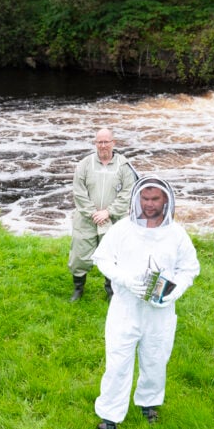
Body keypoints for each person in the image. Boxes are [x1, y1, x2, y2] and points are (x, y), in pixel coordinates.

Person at [89, 176, 200, 429]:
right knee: (117, 362)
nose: (149, 205)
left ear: (166, 201)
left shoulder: (176, 234)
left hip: (159, 312)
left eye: (155, 199)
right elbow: (101, 258)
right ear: (137, 199)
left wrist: (174, 291)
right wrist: (125, 279)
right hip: (125, 308)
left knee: (155, 358)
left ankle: (148, 403)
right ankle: (109, 419)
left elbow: (190, 268)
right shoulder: (123, 229)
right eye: (145, 199)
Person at [69, 128, 138, 302]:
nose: (103, 145)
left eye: (106, 141)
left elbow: (129, 192)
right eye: (99, 142)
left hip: (113, 220)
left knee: (113, 256)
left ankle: (111, 291)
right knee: (80, 256)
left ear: (113, 143)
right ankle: (78, 289)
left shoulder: (124, 165)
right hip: (87, 219)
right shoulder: (85, 164)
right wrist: (93, 213)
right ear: (95, 144)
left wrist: (108, 212)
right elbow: (78, 192)